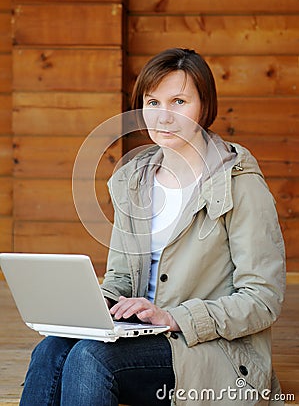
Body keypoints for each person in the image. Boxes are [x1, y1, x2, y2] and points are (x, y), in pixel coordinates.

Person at [20, 48, 286, 406]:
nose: (164, 117)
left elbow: (262, 299)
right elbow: (119, 280)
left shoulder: (240, 184)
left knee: (91, 359)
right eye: (152, 102)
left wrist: (173, 317)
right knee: (51, 350)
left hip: (212, 354)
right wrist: (94, 307)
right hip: (140, 338)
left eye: (178, 101)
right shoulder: (133, 181)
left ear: (204, 106)